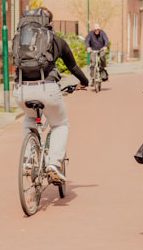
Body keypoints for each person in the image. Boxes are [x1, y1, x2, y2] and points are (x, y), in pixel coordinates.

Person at [13, 7, 89, 183]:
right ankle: (53, 163)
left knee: (29, 119)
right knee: (60, 124)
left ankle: (29, 160)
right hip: (46, 88)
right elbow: (73, 67)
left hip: (21, 90)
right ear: (50, 23)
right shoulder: (55, 40)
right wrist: (84, 82)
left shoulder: (20, 39)